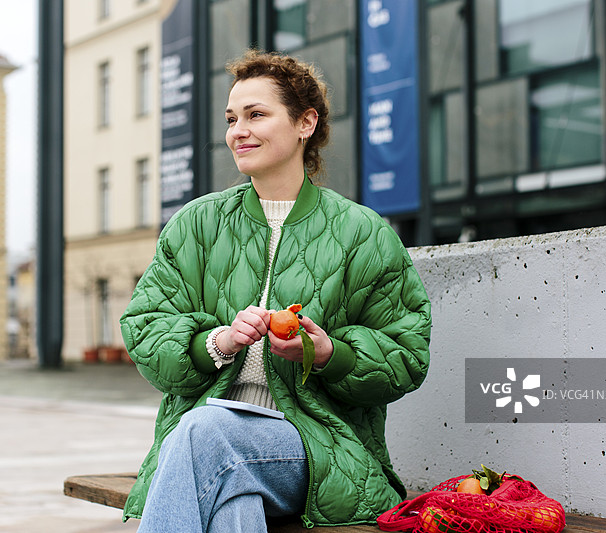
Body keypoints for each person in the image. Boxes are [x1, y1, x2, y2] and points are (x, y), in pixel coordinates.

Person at [120, 49, 432, 532]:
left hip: (318, 448)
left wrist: (330, 353)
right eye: (231, 119)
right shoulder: (196, 225)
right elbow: (145, 328)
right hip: (208, 445)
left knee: (203, 434)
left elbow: (407, 354)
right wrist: (215, 343)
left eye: (256, 115)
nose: (237, 131)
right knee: (230, 500)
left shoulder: (362, 232)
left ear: (305, 122)